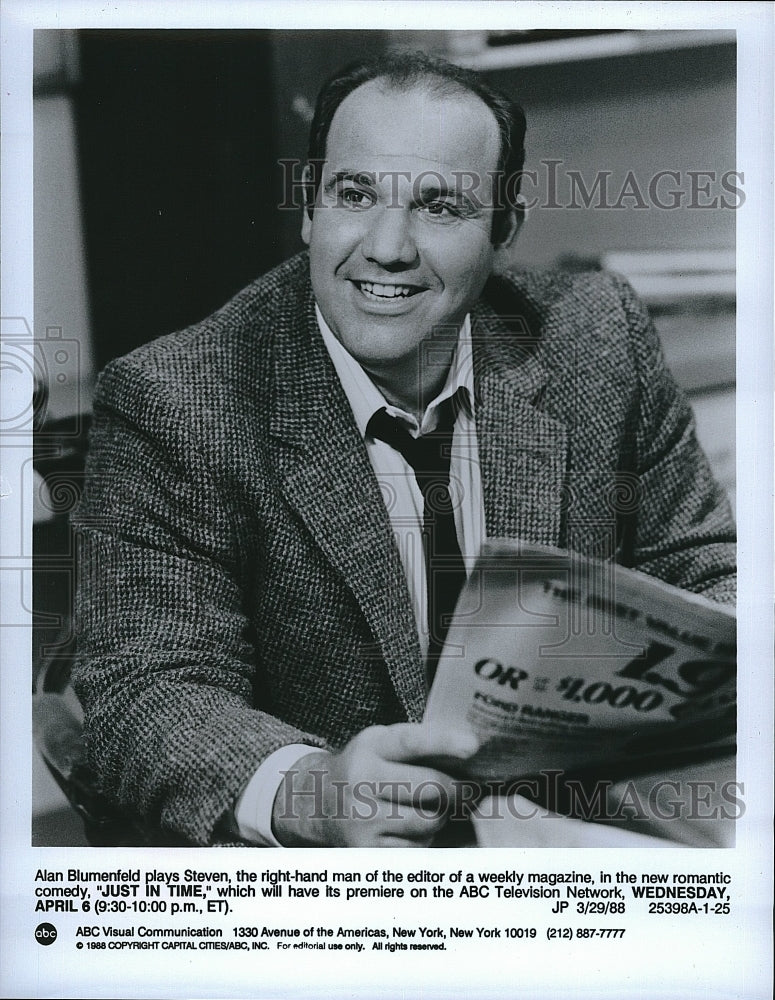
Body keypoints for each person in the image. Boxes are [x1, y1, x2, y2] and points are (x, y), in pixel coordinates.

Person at [72, 51, 736, 848]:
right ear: (311, 210)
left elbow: (705, 572)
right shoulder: (174, 400)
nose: (386, 246)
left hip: (572, 848)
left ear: (504, 231)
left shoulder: (595, 338)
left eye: (440, 207)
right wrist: (314, 793)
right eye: (354, 195)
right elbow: (147, 690)